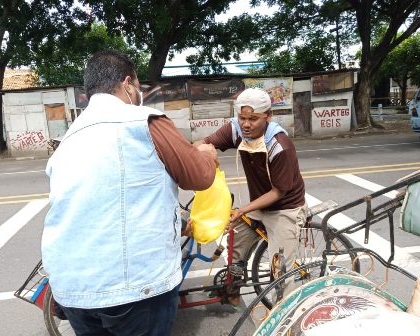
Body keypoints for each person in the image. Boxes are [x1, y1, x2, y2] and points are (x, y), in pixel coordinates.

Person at [41, 51, 218, 336]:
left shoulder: (70, 135)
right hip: (133, 290)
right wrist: (207, 155)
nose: (140, 94)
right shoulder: (144, 121)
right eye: (138, 87)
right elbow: (200, 176)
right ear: (127, 84)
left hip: (71, 289)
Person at [193, 87, 307, 308]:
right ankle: (232, 292)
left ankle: (285, 316)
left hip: (285, 207)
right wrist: (204, 156)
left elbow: (278, 192)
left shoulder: (279, 145)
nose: (246, 124)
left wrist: (242, 210)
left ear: (268, 116)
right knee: (235, 244)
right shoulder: (236, 131)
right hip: (259, 204)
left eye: (253, 119)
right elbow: (202, 144)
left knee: (280, 270)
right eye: (242, 117)